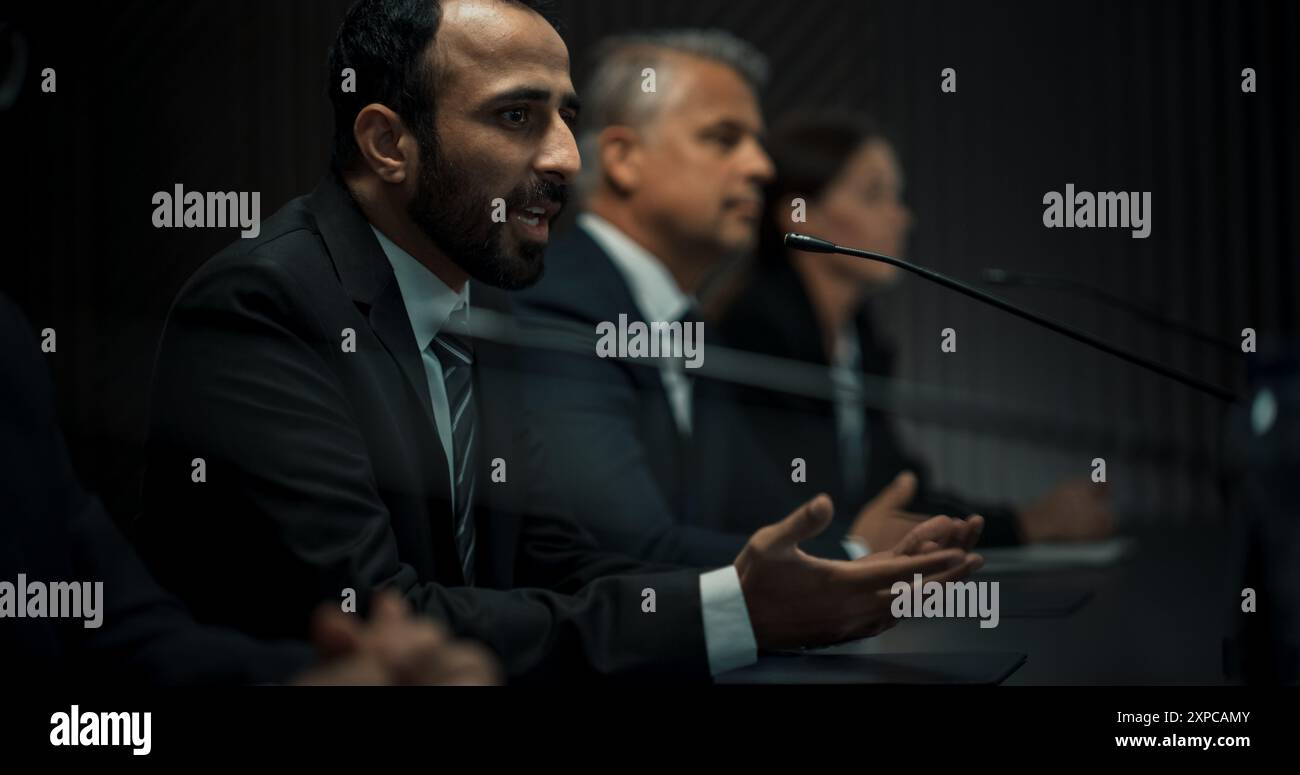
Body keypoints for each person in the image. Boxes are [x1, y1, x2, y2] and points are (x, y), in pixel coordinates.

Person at [133, 0, 984, 683]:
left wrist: (754, 592)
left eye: (567, 118)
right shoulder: (263, 304)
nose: (567, 158)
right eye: (516, 117)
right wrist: (734, 611)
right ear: (389, 143)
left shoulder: (479, 304)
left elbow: (557, 558)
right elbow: (375, 619)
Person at [516, 31, 984, 566]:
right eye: (724, 138)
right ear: (624, 159)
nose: (760, 167)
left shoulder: (692, 325)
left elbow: (766, 520)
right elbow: (627, 551)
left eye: (757, 143)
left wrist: (881, 545)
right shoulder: (560, 305)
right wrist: (855, 551)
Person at [0, 292, 499, 686]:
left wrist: (310, 680)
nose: (564, 161)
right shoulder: (261, 301)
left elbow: (123, 634)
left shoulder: (7, 342)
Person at [715, 111, 1115, 548]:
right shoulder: (755, 331)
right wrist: (1026, 526)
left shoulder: (858, 338)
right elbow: (797, 511)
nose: (901, 217)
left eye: (896, 196)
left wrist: (1023, 522)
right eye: (873, 195)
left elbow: (899, 492)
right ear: (799, 215)